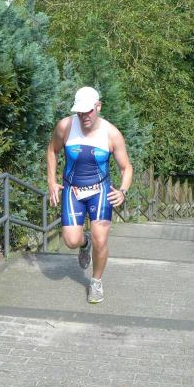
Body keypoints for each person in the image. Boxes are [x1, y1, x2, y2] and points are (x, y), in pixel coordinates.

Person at [46, 86, 133, 304]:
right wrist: (51, 182)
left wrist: (123, 191)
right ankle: (84, 244)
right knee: (71, 240)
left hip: (101, 191)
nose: (84, 116)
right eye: (80, 112)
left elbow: (126, 168)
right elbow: (52, 151)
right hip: (72, 189)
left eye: (88, 111)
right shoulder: (65, 126)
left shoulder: (112, 134)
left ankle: (96, 281)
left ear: (98, 107)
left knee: (100, 239)